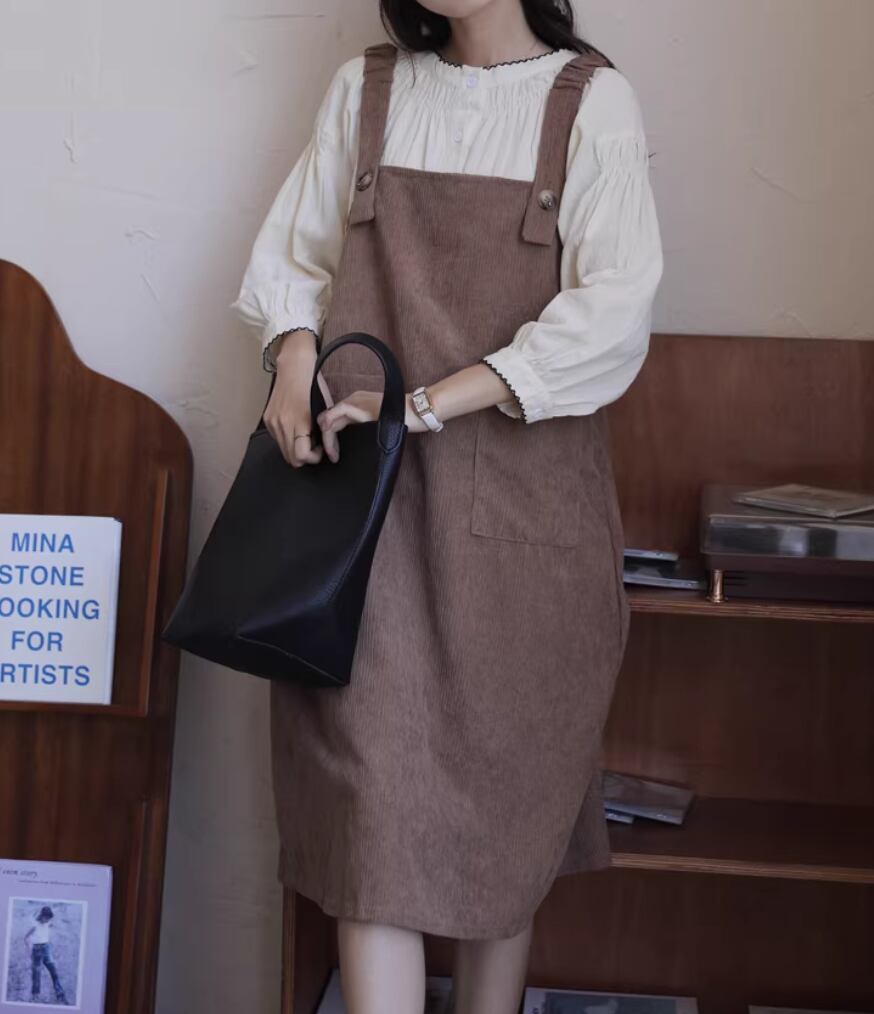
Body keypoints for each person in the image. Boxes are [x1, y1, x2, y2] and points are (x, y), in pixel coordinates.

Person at [232, 0, 663, 1011]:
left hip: (525, 531)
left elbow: (613, 312)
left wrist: (423, 405)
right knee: (370, 826)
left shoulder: (592, 102)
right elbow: (294, 261)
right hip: (360, 529)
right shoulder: (366, 90)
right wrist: (289, 363)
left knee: (503, 826)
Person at [24, 905, 68, 1005]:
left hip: (46, 948)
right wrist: (28, 948)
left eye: (49, 917)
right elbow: (26, 937)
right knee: (36, 974)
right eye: (46, 917)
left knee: (54, 971)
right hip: (37, 950)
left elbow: (53, 919)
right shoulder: (35, 925)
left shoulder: (48, 922)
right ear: (42, 916)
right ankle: (35, 996)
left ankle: (60, 994)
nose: (47, 919)